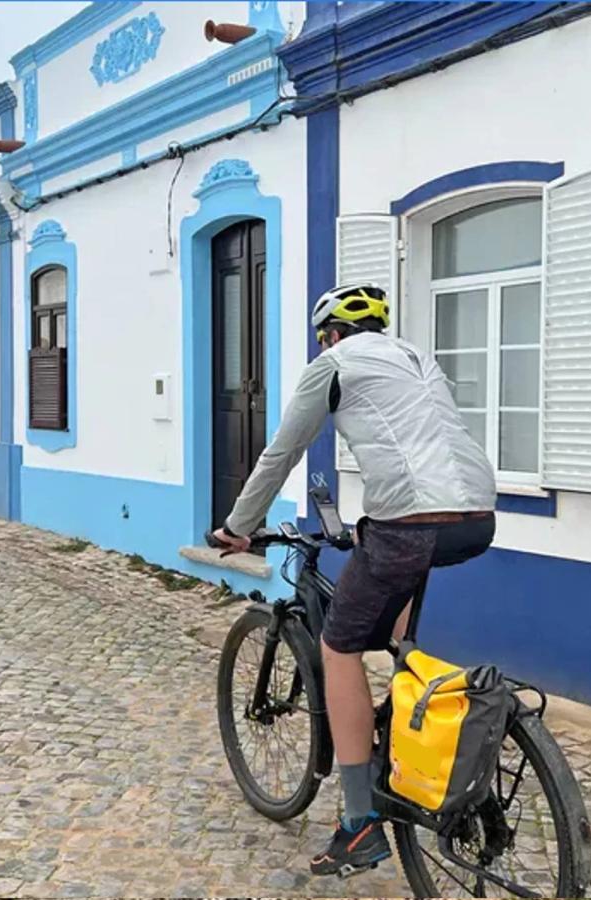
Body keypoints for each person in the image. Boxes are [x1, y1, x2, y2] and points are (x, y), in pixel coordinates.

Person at [211, 282, 497, 877]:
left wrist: (239, 526)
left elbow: (281, 451)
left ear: (330, 333)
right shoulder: (418, 357)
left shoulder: (331, 365)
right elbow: (423, 445)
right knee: (391, 609)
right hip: (475, 517)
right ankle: (405, 731)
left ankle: (360, 824)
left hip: (413, 523)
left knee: (338, 648)